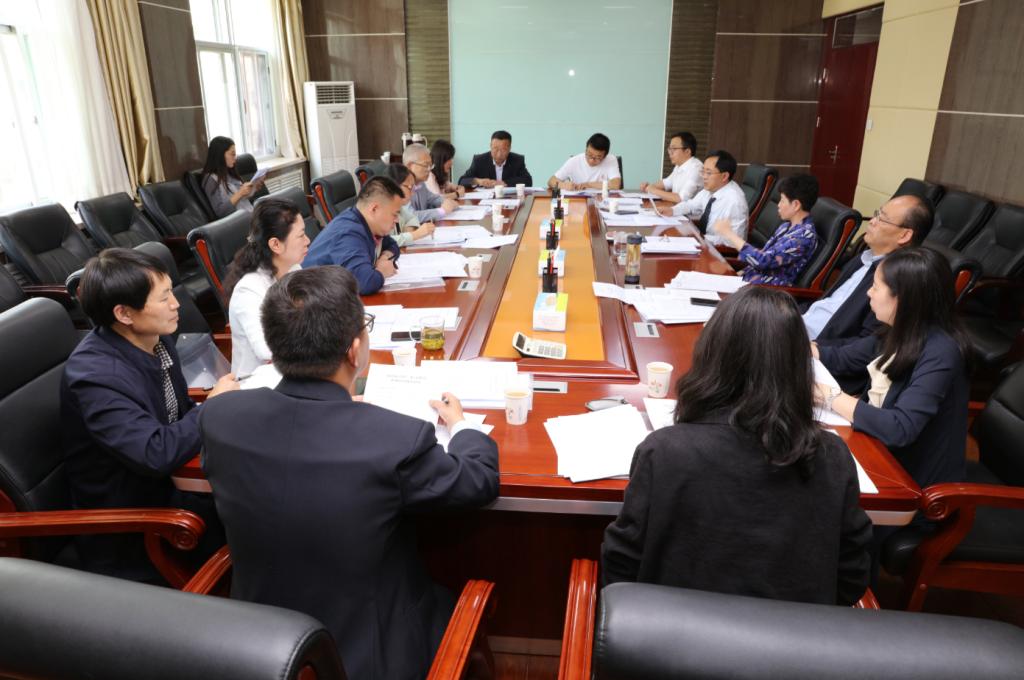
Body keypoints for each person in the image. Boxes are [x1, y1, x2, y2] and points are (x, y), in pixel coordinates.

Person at [200, 265, 499, 680]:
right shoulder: (396, 439)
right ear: (355, 351)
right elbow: (477, 481)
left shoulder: (219, 417)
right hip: (364, 656)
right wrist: (462, 426)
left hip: (256, 647)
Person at [601, 285, 872, 606]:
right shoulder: (834, 456)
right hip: (794, 635)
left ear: (712, 355)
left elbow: (621, 569)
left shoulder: (665, 451)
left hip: (671, 632)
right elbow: (851, 576)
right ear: (798, 366)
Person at [61, 248, 238, 580]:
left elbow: (178, 412)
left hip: (170, 484)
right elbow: (155, 452)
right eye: (164, 297)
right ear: (124, 313)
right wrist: (212, 407)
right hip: (132, 522)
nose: (176, 304)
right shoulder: (95, 376)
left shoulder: (155, 339)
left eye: (172, 291)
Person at [814, 246, 968, 491]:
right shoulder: (898, 330)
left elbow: (900, 428)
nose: (869, 293)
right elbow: (843, 357)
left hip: (911, 483)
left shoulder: (941, 352)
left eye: (876, 287)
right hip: (877, 450)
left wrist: (829, 396)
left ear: (903, 298)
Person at [803, 194, 933, 345]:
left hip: (816, 346)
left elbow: (867, 344)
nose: (872, 221)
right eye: (877, 214)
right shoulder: (863, 258)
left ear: (904, 235)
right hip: (802, 324)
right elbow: (826, 301)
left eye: (882, 218)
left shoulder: (895, 281)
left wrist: (813, 348)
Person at [223, 198, 310, 379]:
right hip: (258, 383)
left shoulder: (293, 269)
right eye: (301, 235)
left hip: (295, 370)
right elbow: (268, 350)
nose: (307, 240)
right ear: (275, 244)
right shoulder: (248, 290)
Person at [302, 176, 404, 295]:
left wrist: (384, 257)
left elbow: (392, 245)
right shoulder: (348, 233)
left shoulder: (365, 222)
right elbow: (364, 283)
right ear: (374, 209)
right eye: (394, 214)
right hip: (311, 299)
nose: (397, 220)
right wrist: (382, 272)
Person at [713, 173, 820, 286]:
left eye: (782, 200)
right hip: (750, 282)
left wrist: (729, 234)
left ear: (796, 205)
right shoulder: (786, 226)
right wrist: (735, 275)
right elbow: (763, 257)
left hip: (766, 291)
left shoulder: (803, 237)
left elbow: (762, 261)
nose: (778, 205)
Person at [664, 150, 748, 247]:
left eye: (708, 173)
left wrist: (699, 238)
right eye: (703, 171)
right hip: (704, 243)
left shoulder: (735, 201)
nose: (704, 177)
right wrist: (672, 210)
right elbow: (691, 205)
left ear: (724, 176)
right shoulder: (711, 189)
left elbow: (733, 241)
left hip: (720, 252)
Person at [201, 136, 263, 218]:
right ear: (220, 155)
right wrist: (240, 193)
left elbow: (241, 201)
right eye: (232, 154)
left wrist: (253, 189)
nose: (235, 157)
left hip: (250, 213)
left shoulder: (230, 172)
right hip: (239, 220)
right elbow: (220, 212)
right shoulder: (210, 180)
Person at [639, 131, 702, 203]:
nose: (670, 153)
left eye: (674, 149)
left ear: (687, 151)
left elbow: (681, 198)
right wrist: (648, 187)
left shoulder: (697, 169)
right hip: (676, 208)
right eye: (669, 149)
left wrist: (653, 190)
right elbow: (665, 183)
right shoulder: (678, 166)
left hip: (689, 210)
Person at [383, 163, 437, 247]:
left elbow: (412, 217)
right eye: (410, 187)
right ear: (394, 185)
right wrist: (414, 235)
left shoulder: (399, 207)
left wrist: (409, 229)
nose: (412, 193)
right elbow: (383, 242)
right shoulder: (381, 210)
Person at [457, 130, 533, 188]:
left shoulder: (517, 160)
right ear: (490, 146)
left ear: (509, 148)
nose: (499, 154)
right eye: (495, 149)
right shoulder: (479, 160)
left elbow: (528, 181)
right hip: (485, 201)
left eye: (503, 150)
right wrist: (478, 181)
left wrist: (504, 182)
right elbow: (461, 181)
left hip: (509, 199)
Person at [404, 143, 458, 222]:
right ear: (410, 166)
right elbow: (410, 216)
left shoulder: (421, 183)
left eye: (430, 165)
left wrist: (448, 202)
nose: (429, 169)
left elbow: (434, 198)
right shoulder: (401, 186)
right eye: (425, 165)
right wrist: (441, 211)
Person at [548, 133, 622, 190]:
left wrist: (588, 185)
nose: (591, 160)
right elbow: (551, 181)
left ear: (605, 156)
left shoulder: (610, 160)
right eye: (589, 155)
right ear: (586, 149)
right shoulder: (574, 161)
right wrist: (563, 185)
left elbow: (615, 185)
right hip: (579, 201)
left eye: (597, 157)